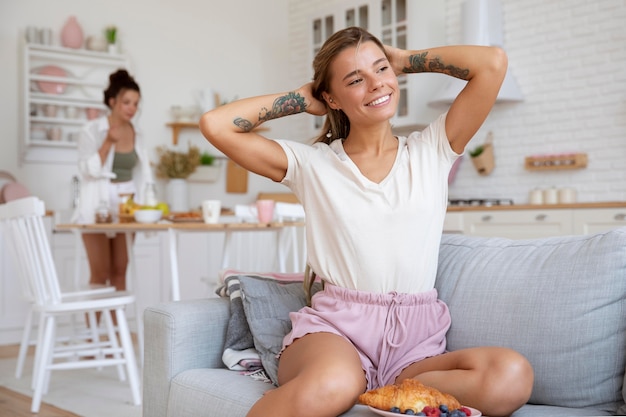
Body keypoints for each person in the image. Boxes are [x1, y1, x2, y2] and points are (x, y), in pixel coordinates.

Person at [200, 27, 534, 417]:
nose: (377, 84)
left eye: (381, 71)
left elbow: (492, 63)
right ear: (332, 97)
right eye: (355, 80)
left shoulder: (433, 150)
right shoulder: (313, 164)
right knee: (336, 383)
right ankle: (352, 386)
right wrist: (302, 100)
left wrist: (404, 60)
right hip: (336, 333)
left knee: (510, 376)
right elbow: (216, 125)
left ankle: (384, 393)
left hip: (415, 346)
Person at [72, 69, 153, 293]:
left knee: (120, 269)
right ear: (112, 101)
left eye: (136, 104)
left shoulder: (138, 133)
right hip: (97, 205)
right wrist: (108, 141)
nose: (132, 109)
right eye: (127, 102)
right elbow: (87, 171)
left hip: (127, 206)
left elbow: (142, 174)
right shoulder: (91, 130)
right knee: (100, 272)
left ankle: (117, 329)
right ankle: (94, 329)